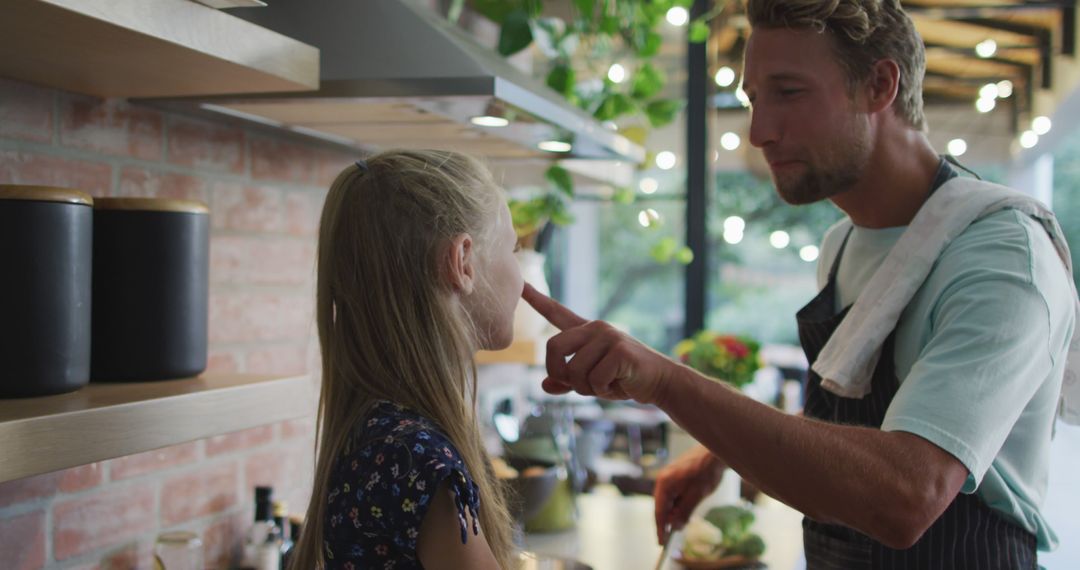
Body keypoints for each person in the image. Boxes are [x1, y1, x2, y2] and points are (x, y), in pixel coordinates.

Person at [520, 0, 1078, 567]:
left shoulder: (1000, 255)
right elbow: (852, 419)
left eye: (788, 93)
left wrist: (665, 382)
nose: (759, 132)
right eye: (753, 100)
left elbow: (905, 496)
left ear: (880, 85)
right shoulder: (842, 244)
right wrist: (722, 455)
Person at [289, 150, 523, 570]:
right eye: (514, 248)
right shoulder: (420, 461)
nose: (523, 277)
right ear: (463, 262)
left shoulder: (381, 433)